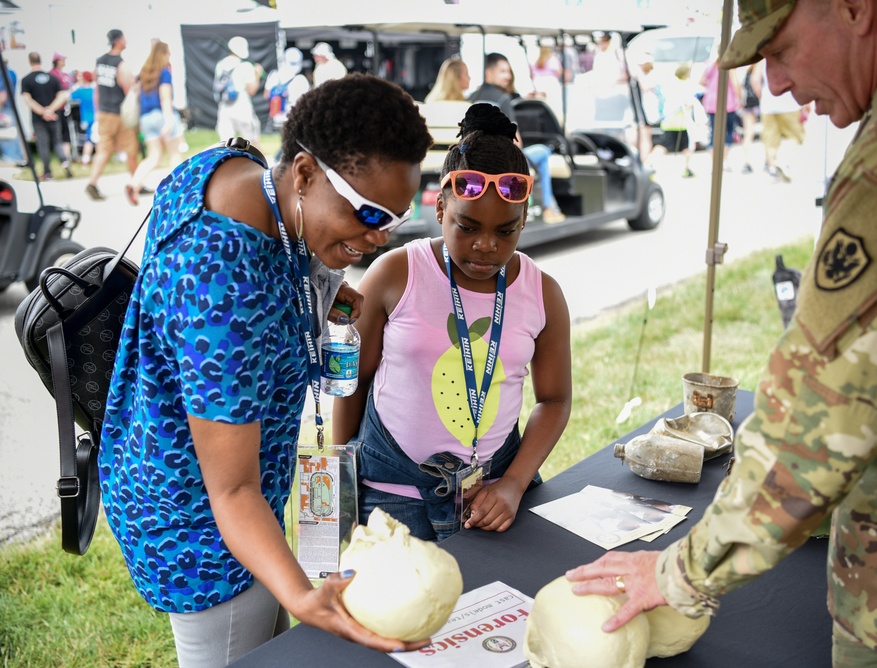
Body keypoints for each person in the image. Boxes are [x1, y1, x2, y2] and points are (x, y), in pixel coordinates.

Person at [565, 2, 877, 667]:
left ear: (852, 8)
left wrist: (680, 572)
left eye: (780, 48)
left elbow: (821, 418)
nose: (773, 86)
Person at [99, 73, 434, 666]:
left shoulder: (233, 170)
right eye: (366, 212)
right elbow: (230, 489)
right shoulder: (224, 287)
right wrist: (307, 598)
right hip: (202, 527)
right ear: (304, 172)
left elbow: (278, 253)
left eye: (395, 219)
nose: (379, 238)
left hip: (222, 489)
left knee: (271, 645)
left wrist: (314, 288)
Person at [331, 102, 572, 543]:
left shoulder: (543, 293)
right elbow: (353, 383)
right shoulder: (395, 274)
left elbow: (554, 401)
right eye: (467, 225)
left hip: (491, 496)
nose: (486, 246)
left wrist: (515, 483)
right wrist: (341, 485)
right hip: (391, 497)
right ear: (440, 208)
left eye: (506, 232)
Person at [468, 53, 565, 224]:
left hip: (474, 158)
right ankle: (549, 208)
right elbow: (516, 142)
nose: (508, 76)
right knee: (543, 151)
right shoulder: (503, 100)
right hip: (503, 161)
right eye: (502, 71)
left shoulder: (471, 98)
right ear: (488, 73)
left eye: (508, 71)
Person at [125, 40, 185, 206]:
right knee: (174, 154)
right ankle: (178, 190)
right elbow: (165, 96)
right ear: (164, 54)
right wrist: (169, 120)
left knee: (153, 157)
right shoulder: (164, 72)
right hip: (161, 114)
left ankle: (134, 184)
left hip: (146, 118)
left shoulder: (145, 73)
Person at [86, 28, 139, 201]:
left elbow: (97, 89)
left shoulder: (99, 62)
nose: (126, 41)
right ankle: (136, 182)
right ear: (118, 40)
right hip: (119, 114)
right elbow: (127, 90)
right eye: (124, 38)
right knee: (131, 148)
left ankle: (92, 183)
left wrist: (97, 111)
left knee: (103, 149)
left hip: (103, 112)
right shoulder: (121, 64)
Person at [20, 51, 72, 181]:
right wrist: (51, 110)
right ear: (41, 61)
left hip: (38, 118)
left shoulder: (27, 80)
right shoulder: (51, 78)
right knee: (57, 141)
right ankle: (65, 162)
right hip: (54, 115)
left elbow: (28, 100)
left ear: (30, 62)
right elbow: (62, 96)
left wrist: (43, 112)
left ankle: (47, 172)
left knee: (43, 144)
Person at [756, 64, 808, 182]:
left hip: (768, 104)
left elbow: (755, 80)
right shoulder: (790, 53)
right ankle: (784, 161)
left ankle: (773, 168)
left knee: (770, 140)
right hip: (789, 103)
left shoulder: (763, 57)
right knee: (794, 136)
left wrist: (763, 97)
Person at [214, 35, 264, 144]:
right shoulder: (246, 66)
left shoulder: (220, 64)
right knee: (252, 144)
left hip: (224, 108)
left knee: (226, 145)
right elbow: (252, 90)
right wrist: (257, 74)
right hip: (243, 108)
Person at [698, 50, 742, 167]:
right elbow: (736, 83)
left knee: (714, 132)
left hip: (711, 103)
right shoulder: (729, 66)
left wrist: (712, 86)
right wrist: (739, 98)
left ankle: (715, 162)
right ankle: (724, 159)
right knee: (728, 131)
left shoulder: (710, 65)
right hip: (727, 102)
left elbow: (701, 80)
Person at [656, 62, 699, 178]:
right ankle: (685, 168)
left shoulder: (671, 84)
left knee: (666, 146)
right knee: (684, 147)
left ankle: (686, 168)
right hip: (679, 123)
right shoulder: (685, 86)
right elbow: (688, 103)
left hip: (668, 122)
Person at [264, 47, 310, 134]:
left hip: (276, 118)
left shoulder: (274, 75)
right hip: (294, 117)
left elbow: (266, 95)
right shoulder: (301, 79)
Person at [49, 52, 73, 162]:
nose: (64, 62)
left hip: (65, 108)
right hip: (56, 108)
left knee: (66, 132)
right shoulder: (52, 75)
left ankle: (66, 157)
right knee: (58, 133)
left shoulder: (65, 75)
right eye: (62, 59)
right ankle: (61, 156)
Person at [739, 60, 762, 174]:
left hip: (748, 105)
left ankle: (746, 161)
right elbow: (756, 83)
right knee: (767, 133)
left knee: (748, 133)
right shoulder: (759, 70)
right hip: (758, 104)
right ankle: (770, 161)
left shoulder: (747, 72)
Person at [69, 70, 95, 166]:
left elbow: (69, 95)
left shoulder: (81, 91)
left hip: (86, 119)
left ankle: (85, 159)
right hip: (97, 118)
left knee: (88, 140)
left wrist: (78, 84)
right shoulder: (95, 90)